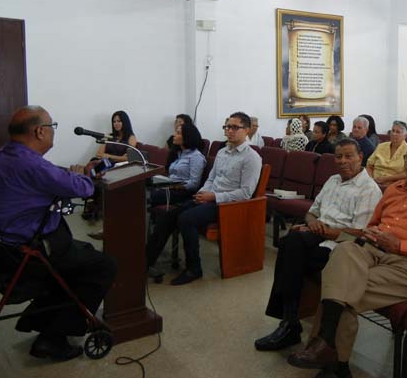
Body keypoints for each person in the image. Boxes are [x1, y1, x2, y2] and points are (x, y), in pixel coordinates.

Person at [286, 139, 407, 378]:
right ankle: (331, 354)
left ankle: (333, 361)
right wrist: (374, 234)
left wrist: (400, 244)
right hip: (375, 251)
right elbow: (372, 224)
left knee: (342, 288)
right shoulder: (396, 189)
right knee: (343, 251)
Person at [0, 106, 116, 361]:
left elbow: (42, 177)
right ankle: (53, 338)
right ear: (40, 131)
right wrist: (78, 174)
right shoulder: (31, 165)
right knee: (103, 265)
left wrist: (68, 174)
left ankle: (42, 321)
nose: (53, 132)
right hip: (28, 256)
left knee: (83, 256)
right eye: (52, 126)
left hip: (1, 252)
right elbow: (82, 189)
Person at [254, 139, 382, 352]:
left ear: (361, 157)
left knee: (291, 247)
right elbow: (312, 211)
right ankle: (290, 321)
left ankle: (290, 323)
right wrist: (311, 224)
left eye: (349, 156)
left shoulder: (369, 189)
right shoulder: (333, 180)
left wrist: (318, 229)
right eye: (338, 156)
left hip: (342, 245)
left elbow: (360, 233)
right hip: (319, 234)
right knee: (290, 243)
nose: (343, 161)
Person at [146, 112, 261, 285]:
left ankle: (194, 269)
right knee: (168, 216)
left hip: (228, 205)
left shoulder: (251, 158)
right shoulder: (223, 152)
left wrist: (213, 196)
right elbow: (211, 179)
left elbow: (245, 193)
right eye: (227, 127)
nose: (229, 131)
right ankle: (145, 262)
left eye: (234, 127)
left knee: (186, 219)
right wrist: (203, 193)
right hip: (209, 197)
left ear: (246, 130)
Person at [150, 123, 206, 206]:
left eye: (178, 133)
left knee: (151, 195)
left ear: (187, 136)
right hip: (170, 187)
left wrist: (175, 186)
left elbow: (194, 183)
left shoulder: (196, 157)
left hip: (183, 192)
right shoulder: (179, 153)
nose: (174, 135)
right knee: (144, 187)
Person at [366, 120, 407, 187]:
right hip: (374, 183)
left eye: (398, 132)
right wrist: (371, 180)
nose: (394, 134)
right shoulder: (381, 146)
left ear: (405, 135)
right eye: (393, 131)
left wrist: (387, 178)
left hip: (395, 185)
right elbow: (369, 165)